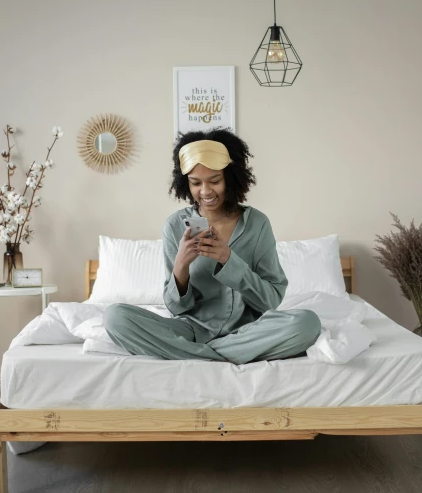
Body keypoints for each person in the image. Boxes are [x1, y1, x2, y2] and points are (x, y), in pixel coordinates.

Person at [103, 128, 320, 364]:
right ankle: (226, 356)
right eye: (196, 183)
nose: (205, 192)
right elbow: (177, 309)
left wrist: (229, 260)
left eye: (214, 181)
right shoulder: (175, 226)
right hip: (191, 331)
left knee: (307, 323)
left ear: (231, 178)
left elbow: (271, 301)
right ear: (185, 183)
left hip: (249, 332)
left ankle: (192, 355)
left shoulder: (257, 224)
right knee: (115, 317)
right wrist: (181, 267)